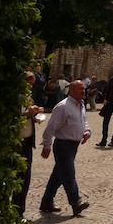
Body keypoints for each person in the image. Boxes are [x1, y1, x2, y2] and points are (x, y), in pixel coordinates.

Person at [39, 80, 92, 216]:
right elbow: (50, 128)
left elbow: (83, 121)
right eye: (80, 89)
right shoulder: (62, 107)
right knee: (69, 174)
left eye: (84, 89)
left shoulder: (81, 105)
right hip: (63, 145)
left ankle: (46, 202)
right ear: (72, 90)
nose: (83, 91)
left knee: (58, 175)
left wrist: (86, 131)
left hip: (74, 146)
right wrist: (46, 145)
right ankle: (76, 202)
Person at [15, 71, 42, 217]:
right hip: (16, 142)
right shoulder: (16, 96)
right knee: (17, 176)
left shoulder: (27, 97)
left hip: (27, 142)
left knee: (25, 177)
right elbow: (16, 114)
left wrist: (35, 115)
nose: (30, 87)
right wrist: (28, 112)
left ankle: (19, 210)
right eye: (28, 83)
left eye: (32, 84)